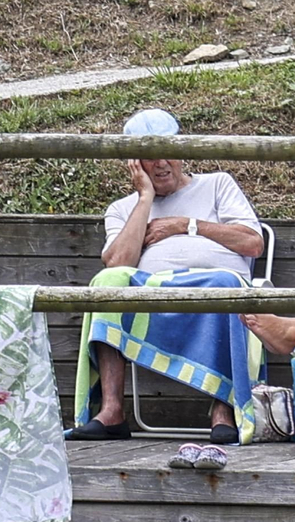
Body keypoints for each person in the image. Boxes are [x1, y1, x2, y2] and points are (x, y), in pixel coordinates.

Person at [68, 109, 265, 443]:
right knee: (105, 284)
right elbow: (116, 264)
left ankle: (224, 409)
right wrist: (144, 199)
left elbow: (253, 243)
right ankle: (112, 410)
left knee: (225, 284)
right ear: (133, 163)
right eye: (149, 157)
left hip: (214, 288)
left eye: (167, 152)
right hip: (151, 300)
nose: (161, 164)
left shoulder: (217, 184)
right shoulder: (122, 209)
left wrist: (185, 225)